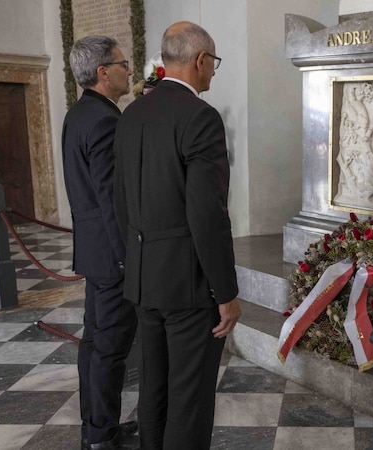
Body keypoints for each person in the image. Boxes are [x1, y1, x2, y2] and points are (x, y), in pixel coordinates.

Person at [113, 21, 241, 450]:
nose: (214, 72)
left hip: (144, 279)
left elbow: (121, 203)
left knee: (154, 386)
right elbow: (207, 214)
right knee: (190, 395)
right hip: (188, 285)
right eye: (214, 63)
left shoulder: (130, 114)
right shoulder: (200, 118)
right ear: (201, 61)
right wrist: (225, 291)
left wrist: (135, 264)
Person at [62, 35, 139, 450]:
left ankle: (96, 426)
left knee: (93, 343)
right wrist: (127, 259)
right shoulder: (106, 119)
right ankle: (102, 436)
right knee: (109, 349)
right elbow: (112, 200)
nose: (129, 70)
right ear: (103, 72)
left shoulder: (78, 114)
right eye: (123, 64)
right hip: (111, 256)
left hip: (92, 251)